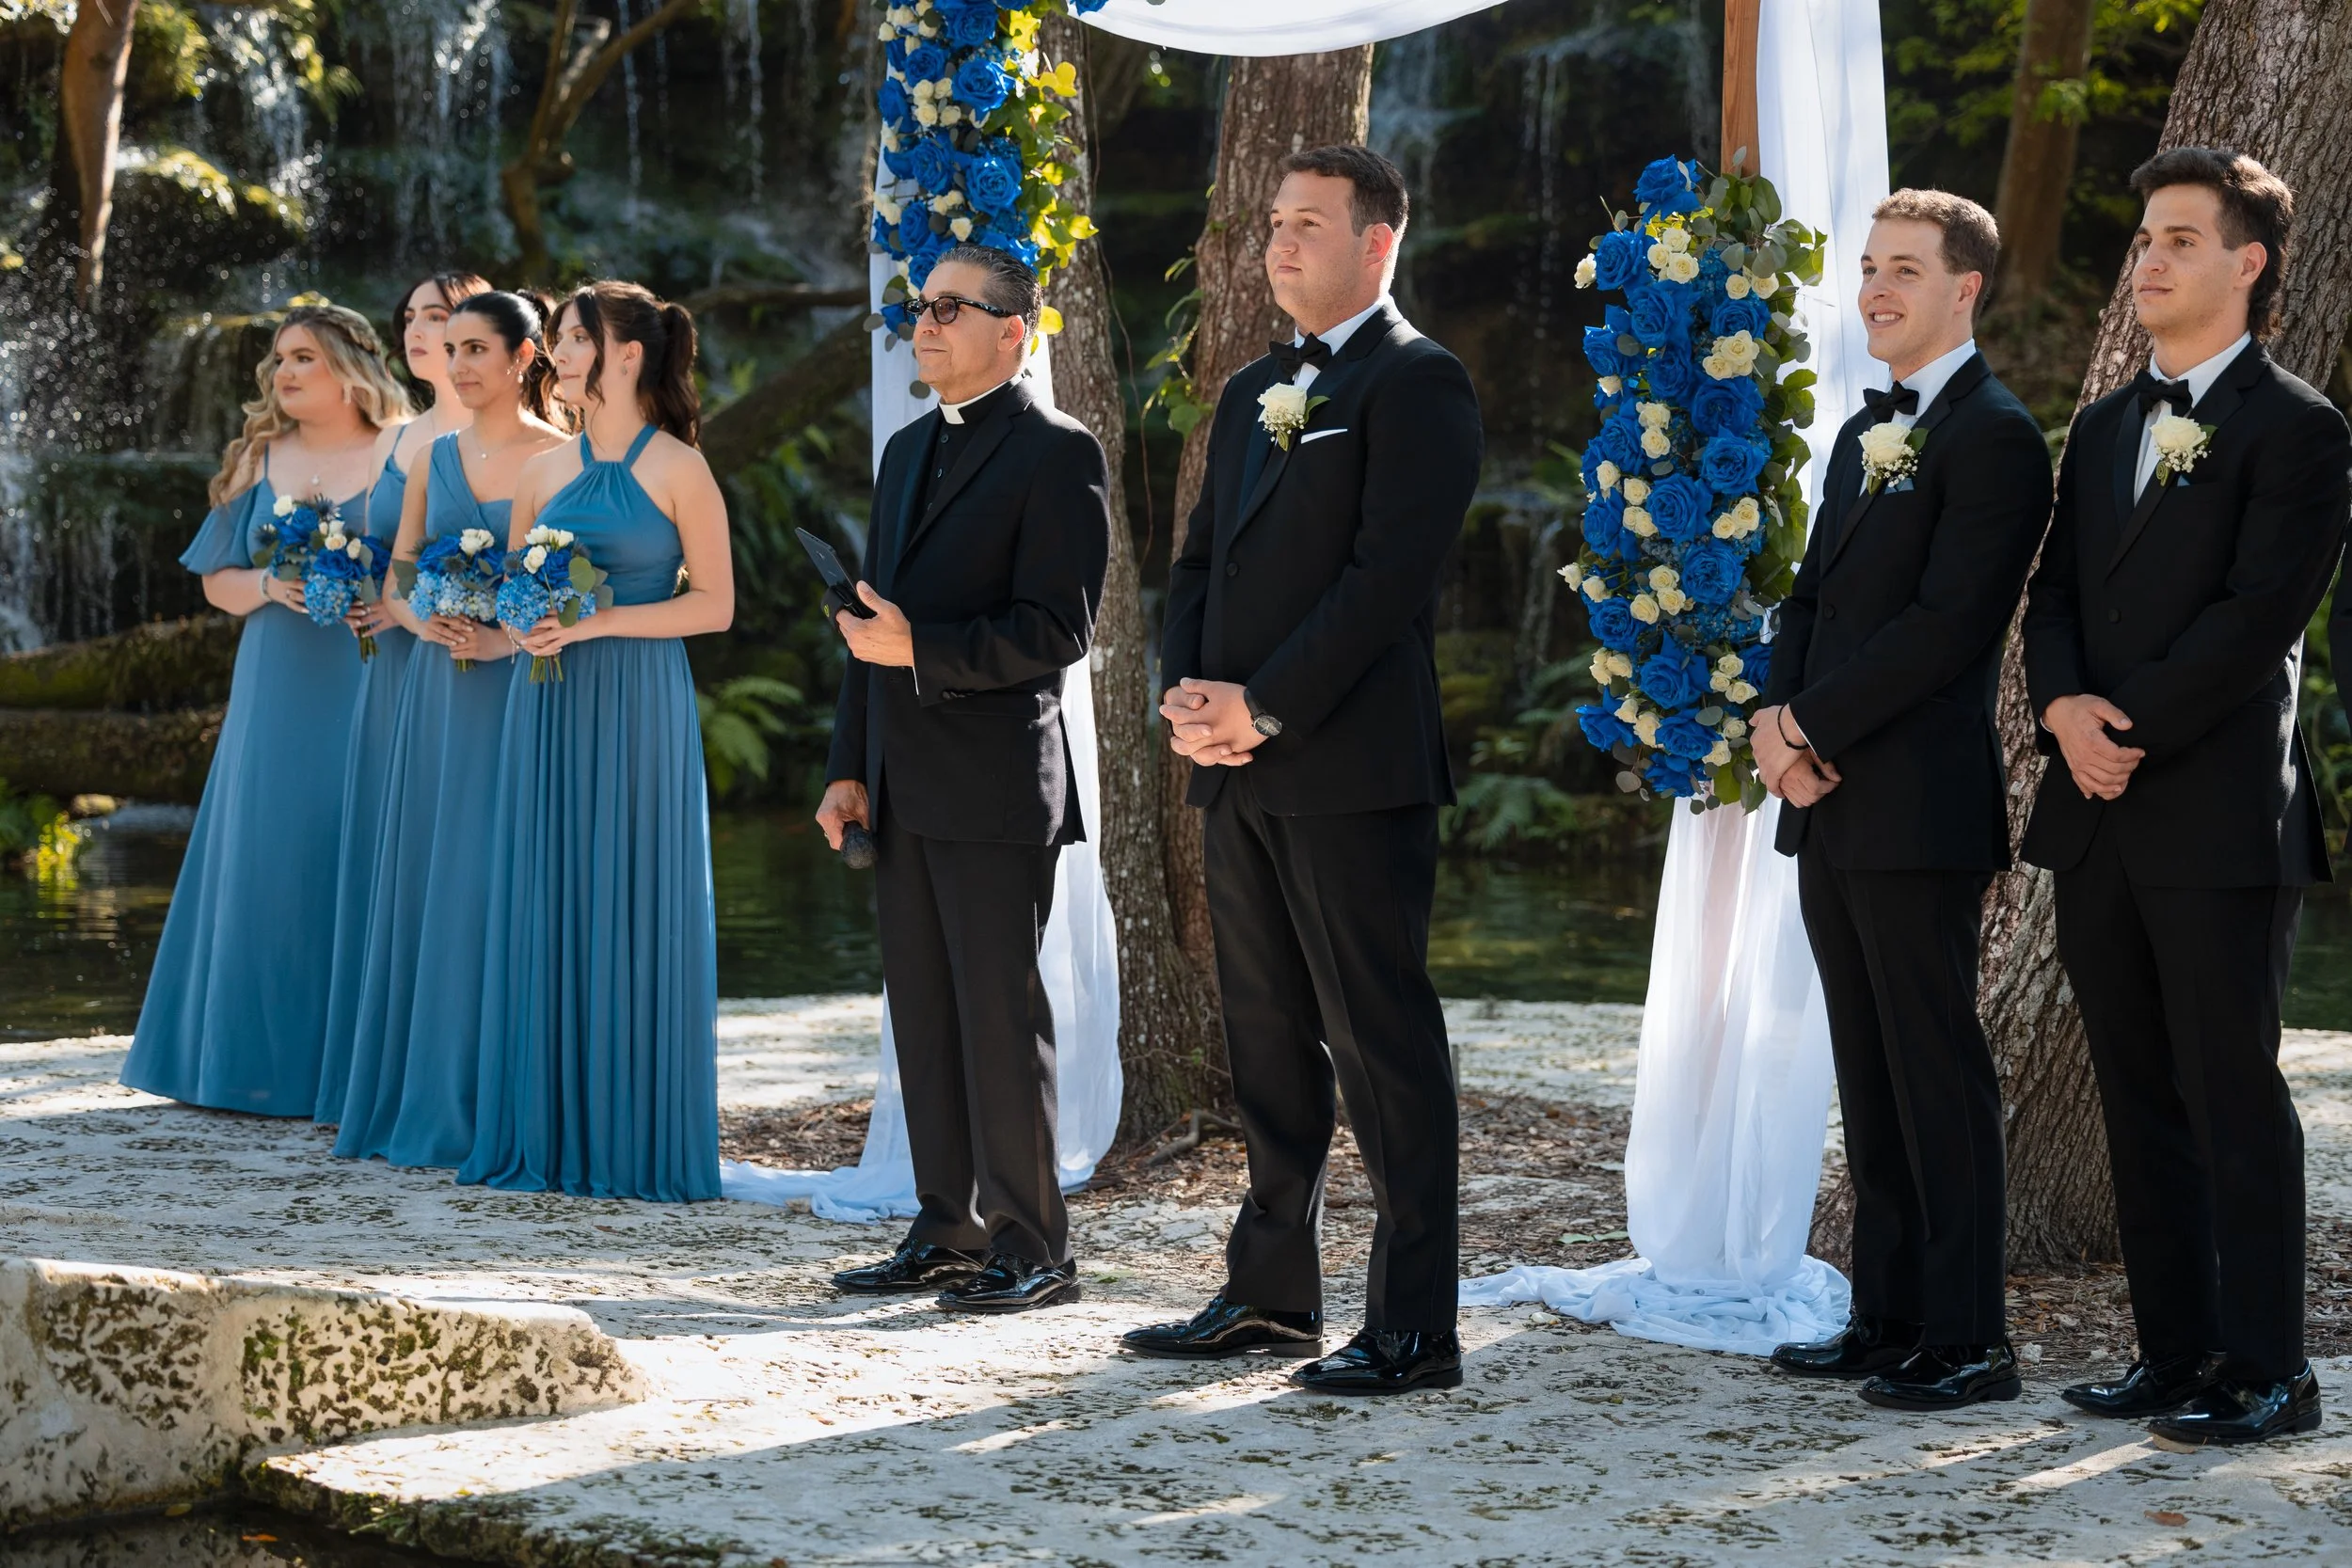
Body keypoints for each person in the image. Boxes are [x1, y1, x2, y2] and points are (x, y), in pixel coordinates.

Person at [1132, 145, 1482, 1393]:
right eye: (1274, 223)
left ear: (1380, 240)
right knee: (1266, 1039)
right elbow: (1196, 567)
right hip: (1234, 765)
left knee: (1381, 1042)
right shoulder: (1246, 393)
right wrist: (1193, 698)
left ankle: (1413, 1326)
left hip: (1351, 768)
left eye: (1309, 224)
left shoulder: (1420, 383)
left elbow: (1387, 582)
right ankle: (1270, 1296)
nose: (1279, 245)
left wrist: (1266, 704)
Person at [2023, 148, 2351, 1447]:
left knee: (2231, 1089)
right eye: (2143, 238)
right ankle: (2171, 1355)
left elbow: (2257, 615)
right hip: (2094, 808)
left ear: (2246, 263)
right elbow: (2050, 593)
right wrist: (2061, 713)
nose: (2147, 260)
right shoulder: (2103, 423)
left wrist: (2128, 728)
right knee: (2133, 1088)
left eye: (2176, 238)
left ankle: (2271, 1366)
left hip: (2217, 811)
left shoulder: (2302, 425)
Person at [1747, 192, 2053, 1411]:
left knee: (1937, 1070)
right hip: (1824, 796)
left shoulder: (1999, 436)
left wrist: (1811, 724)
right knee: (1866, 1070)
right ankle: (1884, 1317)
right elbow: (1809, 598)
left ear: (1963, 288)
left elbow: (1948, 629)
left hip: (1920, 802)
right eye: (1869, 269)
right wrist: (1775, 726)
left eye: (1903, 271)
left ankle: (1971, 1336)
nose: (1875, 289)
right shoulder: (1860, 430)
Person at [816, 244, 1109, 1313]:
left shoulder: (1058, 451)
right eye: (919, 305)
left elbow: (1058, 628)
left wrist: (921, 652)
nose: (925, 322)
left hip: (994, 784)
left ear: (1012, 332)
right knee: (925, 1018)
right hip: (899, 781)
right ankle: (946, 1227)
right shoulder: (902, 451)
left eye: (950, 307)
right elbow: (868, 633)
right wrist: (849, 767)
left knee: (997, 1017)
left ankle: (1034, 1246)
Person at [460, 281, 732, 1203]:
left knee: (632, 892)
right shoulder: (540, 470)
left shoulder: (678, 468)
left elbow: (716, 604)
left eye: (575, 339)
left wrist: (596, 618)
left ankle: (633, 1138)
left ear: (627, 355)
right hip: (549, 705)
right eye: (559, 340)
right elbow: (514, 590)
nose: (558, 354)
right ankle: (546, 1131)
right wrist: (513, 622)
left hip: (638, 703)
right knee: (549, 892)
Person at [121, 304, 411, 1114]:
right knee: (270, 856)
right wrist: (272, 587)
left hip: (374, 672)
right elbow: (217, 580)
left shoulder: (405, 449)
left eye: (303, 359)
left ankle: (360, 1073)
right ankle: (249, 1067)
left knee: (359, 847)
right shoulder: (257, 457)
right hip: (278, 683)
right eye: (279, 360)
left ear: (353, 367)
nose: (283, 374)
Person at [334, 292, 567, 1165]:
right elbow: (395, 578)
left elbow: (571, 584)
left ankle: (506, 1098)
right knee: (440, 882)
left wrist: (508, 632)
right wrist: (420, 614)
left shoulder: (563, 456)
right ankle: (427, 1096)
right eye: (452, 346)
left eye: (478, 348)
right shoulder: (434, 454)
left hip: (522, 688)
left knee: (502, 878)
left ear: (524, 356)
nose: (458, 362)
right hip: (438, 689)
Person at [316, 270, 490, 1123]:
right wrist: (364, 592)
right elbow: (392, 559)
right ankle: (382, 1071)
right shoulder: (397, 437)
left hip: (481, 661)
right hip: (393, 670)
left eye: (447, 316)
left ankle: (459, 1066)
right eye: (416, 316)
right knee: (396, 863)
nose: (425, 330)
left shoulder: (525, 438)